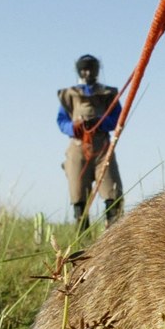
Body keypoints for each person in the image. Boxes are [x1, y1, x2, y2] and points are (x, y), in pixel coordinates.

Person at [56, 54, 124, 232]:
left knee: (112, 190)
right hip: (78, 146)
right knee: (78, 192)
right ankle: (82, 235)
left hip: (102, 147)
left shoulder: (108, 94)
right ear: (79, 71)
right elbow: (61, 120)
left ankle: (113, 233)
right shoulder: (69, 95)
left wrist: (101, 122)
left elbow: (118, 118)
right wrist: (73, 128)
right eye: (84, 69)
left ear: (97, 70)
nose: (87, 73)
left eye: (91, 69)